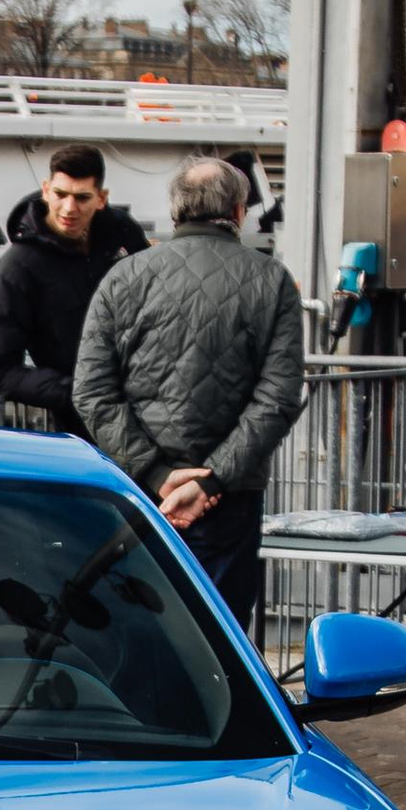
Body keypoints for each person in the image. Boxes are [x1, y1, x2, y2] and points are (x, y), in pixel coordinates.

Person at [72, 154, 305, 630]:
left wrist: (159, 475)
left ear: (176, 211)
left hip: (138, 493)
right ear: (239, 211)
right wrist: (211, 481)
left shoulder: (123, 278)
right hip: (229, 499)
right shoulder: (271, 280)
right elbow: (278, 395)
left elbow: (92, 391)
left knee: (139, 627)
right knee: (220, 633)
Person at [0, 143, 148, 431]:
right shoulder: (18, 266)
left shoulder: (123, 234)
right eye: (60, 195)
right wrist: (81, 393)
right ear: (46, 190)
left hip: (148, 404)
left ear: (101, 198)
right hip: (81, 421)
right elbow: (0, 370)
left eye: (82, 197)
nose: (69, 208)